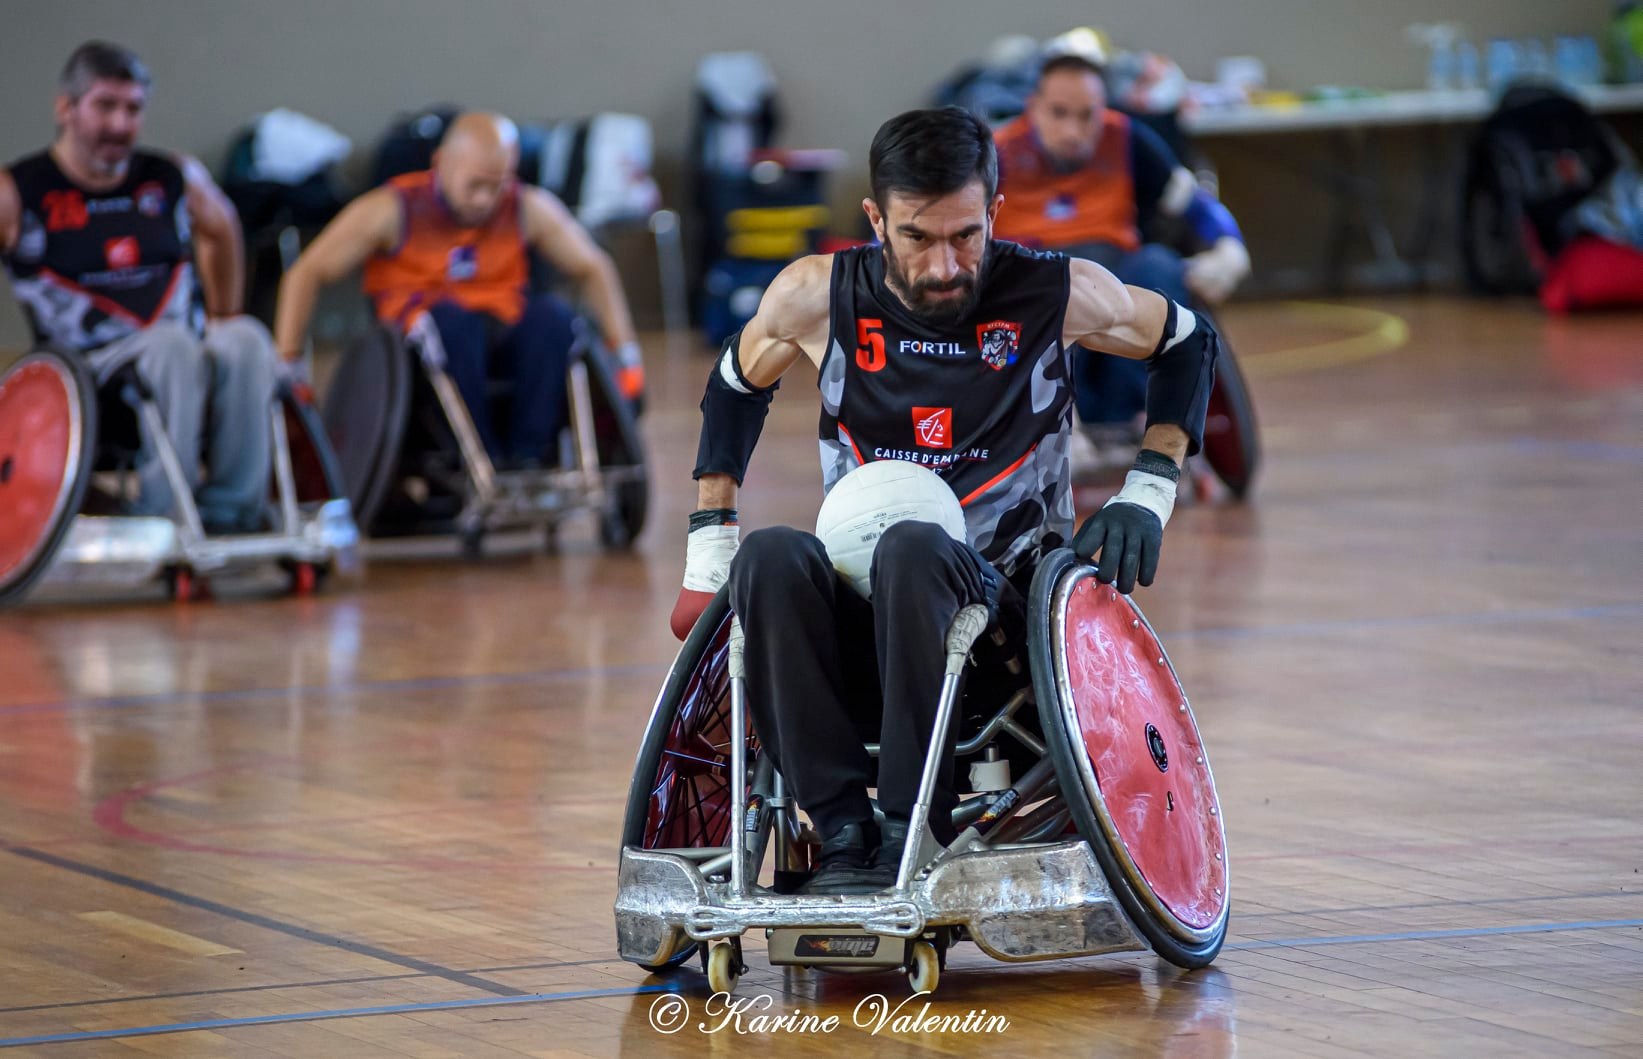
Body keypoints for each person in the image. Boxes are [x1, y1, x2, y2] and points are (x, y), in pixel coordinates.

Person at [668, 107, 1219, 894]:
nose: (943, 265)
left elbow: (1187, 341)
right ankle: (842, 830)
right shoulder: (814, 295)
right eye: (916, 238)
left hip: (1002, 626)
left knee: (914, 546)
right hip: (860, 619)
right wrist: (708, 546)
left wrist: (1148, 489)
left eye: (965, 235)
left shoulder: (1052, 292)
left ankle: (906, 823)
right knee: (771, 554)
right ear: (874, 220)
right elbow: (732, 385)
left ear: (993, 211)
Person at [0, 41, 279, 532]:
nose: (121, 125)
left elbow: (223, 228)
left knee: (246, 338)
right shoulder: (20, 190)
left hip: (181, 350)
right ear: (66, 108)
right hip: (89, 371)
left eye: (133, 109)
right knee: (170, 346)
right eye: (105, 106)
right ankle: (163, 515)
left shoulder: (170, 175)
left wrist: (223, 312)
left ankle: (231, 513)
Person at [274, 112, 644, 469]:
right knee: (451, 325)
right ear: (441, 164)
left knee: (555, 318)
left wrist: (626, 358)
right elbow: (306, 272)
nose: (485, 199)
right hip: (421, 348)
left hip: (499, 331)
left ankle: (528, 457)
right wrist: (289, 365)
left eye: (496, 184)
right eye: (475, 185)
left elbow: (594, 267)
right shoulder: (392, 209)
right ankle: (482, 461)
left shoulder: (525, 206)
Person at [990, 39, 1249, 466]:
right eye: (1059, 113)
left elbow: (1198, 206)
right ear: (1033, 106)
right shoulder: (996, 152)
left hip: (1114, 293)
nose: (1073, 131)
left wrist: (1229, 247)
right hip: (1034, 300)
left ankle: (1147, 412)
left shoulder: (1129, 140)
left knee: (1160, 264)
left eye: (1086, 115)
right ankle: (1055, 420)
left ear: (1104, 107)